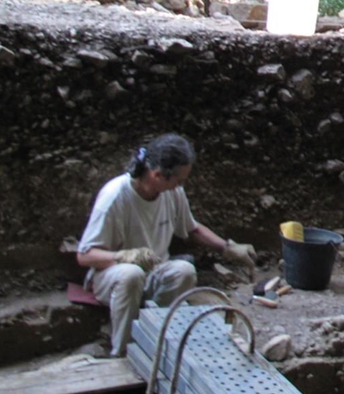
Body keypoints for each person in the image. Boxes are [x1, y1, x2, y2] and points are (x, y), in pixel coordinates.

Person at [77, 134, 255, 357]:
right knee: (131, 274)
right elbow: (84, 256)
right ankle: (122, 351)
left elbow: (192, 229)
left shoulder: (172, 193)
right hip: (111, 276)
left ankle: (153, 336)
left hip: (153, 272)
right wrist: (123, 256)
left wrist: (228, 248)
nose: (181, 186)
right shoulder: (115, 197)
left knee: (183, 271)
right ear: (158, 175)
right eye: (178, 180)